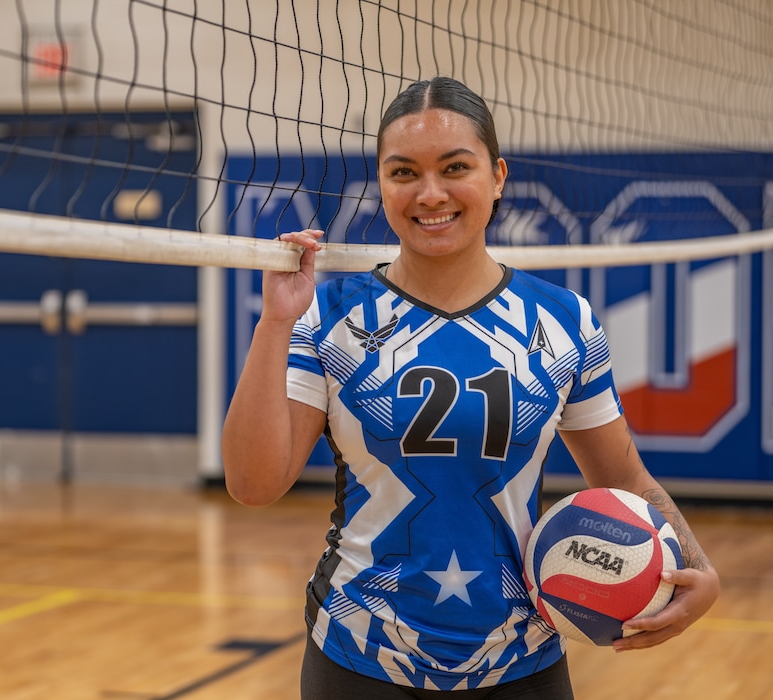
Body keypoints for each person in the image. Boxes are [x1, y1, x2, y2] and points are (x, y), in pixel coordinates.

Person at [220, 77, 720, 699]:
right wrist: (276, 321)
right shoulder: (329, 315)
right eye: (404, 173)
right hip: (359, 655)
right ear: (382, 182)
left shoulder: (563, 321)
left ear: (497, 175)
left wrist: (699, 571)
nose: (431, 193)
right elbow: (252, 485)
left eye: (455, 167)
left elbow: (628, 482)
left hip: (522, 659)